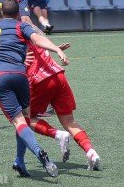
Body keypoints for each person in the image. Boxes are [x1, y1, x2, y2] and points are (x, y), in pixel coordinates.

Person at [0, 0, 69, 177]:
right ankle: (20, 161)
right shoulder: (21, 26)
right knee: (26, 119)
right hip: (20, 76)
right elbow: (37, 39)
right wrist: (56, 49)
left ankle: (38, 152)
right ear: (19, 13)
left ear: (0, 13)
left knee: (18, 122)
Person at [24, 28, 101, 170]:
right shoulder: (30, 27)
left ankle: (58, 135)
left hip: (40, 79)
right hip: (58, 74)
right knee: (69, 121)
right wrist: (56, 49)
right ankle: (91, 153)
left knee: (24, 119)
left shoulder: (13, 29)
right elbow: (40, 37)